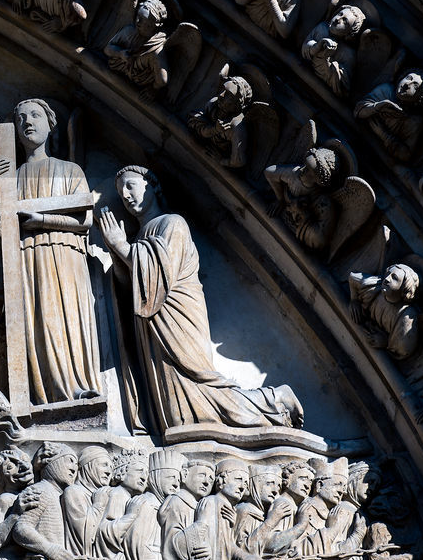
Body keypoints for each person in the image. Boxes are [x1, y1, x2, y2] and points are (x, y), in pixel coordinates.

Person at [97, 166, 303, 432]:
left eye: (130, 185)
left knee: (201, 390)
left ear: (151, 184)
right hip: (154, 329)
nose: (125, 196)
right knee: (176, 414)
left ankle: (273, 400)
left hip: (178, 320)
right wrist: (120, 253)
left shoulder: (172, 223)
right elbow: (132, 291)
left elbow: (160, 272)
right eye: (120, 192)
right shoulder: (139, 238)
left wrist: (121, 246)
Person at [0, 99, 100, 402]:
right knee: (38, 321)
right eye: (21, 118)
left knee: (65, 316)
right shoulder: (11, 178)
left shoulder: (69, 170)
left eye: (36, 115)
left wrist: (40, 220)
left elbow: (85, 219)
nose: (28, 122)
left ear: (50, 123)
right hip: (26, 259)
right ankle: (46, 395)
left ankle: (77, 385)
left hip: (66, 254)